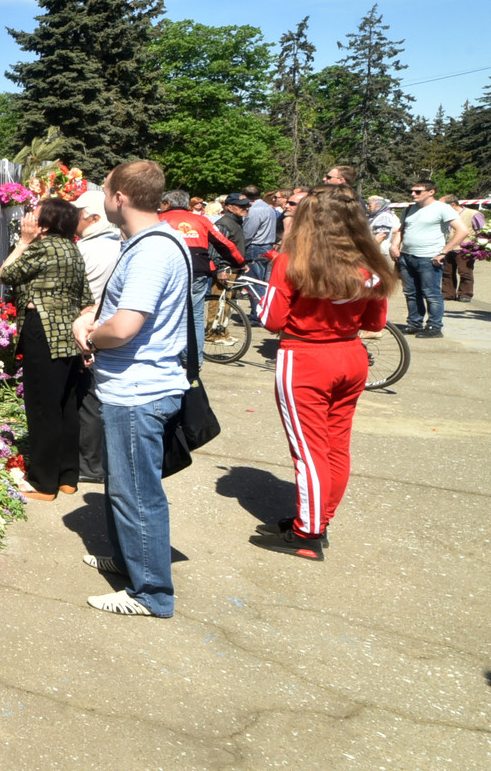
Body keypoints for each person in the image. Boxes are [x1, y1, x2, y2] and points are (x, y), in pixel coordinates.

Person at [250, 186, 399, 561]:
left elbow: (270, 319)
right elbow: (375, 322)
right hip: (350, 355)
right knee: (335, 445)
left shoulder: (292, 260)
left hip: (305, 359)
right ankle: (317, 518)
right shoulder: (371, 264)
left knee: (309, 451)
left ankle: (308, 533)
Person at [71, 160, 190, 619]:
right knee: (124, 487)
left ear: (120, 197)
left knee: (136, 493)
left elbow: (124, 327)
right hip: (133, 386)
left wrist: (90, 336)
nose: (102, 199)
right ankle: (129, 560)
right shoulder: (148, 242)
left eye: (105, 190)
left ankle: (152, 593)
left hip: (138, 391)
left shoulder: (151, 251)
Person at [0, 198, 94, 501]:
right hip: (68, 333)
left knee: (42, 407)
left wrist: (23, 242)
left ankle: (43, 482)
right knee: (66, 405)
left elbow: (5, 275)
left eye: (35, 216)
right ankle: (67, 477)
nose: (29, 219)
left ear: (47, 222)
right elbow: (87, 296)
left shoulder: (43, 247)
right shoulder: (72, 248)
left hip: (43, 331)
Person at [71, 188, 123, 485]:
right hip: (103, 332)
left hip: (89, 331)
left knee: (89, 400)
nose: (74, 219)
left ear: (92, 218)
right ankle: (98, 461)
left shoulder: (91, 249)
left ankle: (90, 466)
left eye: (78, 214)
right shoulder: (114, 244)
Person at [158, 189, 246, 363]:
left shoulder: (159, 220)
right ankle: (194, 361)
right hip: (196, 271)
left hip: (167, 272)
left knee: (165, 314)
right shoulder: (201, 220)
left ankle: (167, 358)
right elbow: (224, 244)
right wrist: (240, 262)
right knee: (195, 317)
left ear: (167, 204)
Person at [391, 181, 469, 337]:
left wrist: (444, 252)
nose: (413, 194)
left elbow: (463, 230)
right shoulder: (410, 209)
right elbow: (402, 229)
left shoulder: (442, 208)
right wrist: (394, 245)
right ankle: (414, 323)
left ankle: (434, 327)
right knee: (411, 293)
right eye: (412, 191)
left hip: (429, 258)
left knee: (431, 294)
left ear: (431, 192)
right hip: (406, 256)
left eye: (418, 191)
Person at [438, 195, 482, 301]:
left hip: (465, 247)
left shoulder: (473, 214)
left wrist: (478, 246)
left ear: (453, 204)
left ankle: (465, 294)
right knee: (447, 271)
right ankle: (448, 293)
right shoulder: (443, 215)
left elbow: (481, 230)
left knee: (465, 271)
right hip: (448, 246)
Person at [215, 194, 251, 261]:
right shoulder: (223, 224)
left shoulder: (238, 222)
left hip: (238, 267)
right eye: (242, 206)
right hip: (227, 268)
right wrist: (221, 269)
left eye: (247, 205)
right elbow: (215, 251)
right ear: (230, 207)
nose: (246, 208)